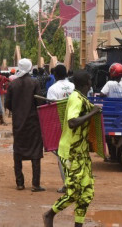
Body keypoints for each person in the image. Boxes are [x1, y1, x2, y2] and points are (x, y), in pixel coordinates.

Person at [43, 70, 102, 227]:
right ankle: (49, 214)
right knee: (74, 192)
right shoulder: (76, 99)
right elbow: (72, 122)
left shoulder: (81, 97)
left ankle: (78, 224)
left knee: (87, 193)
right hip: (70, 152)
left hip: (81, 151)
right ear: (85, 84)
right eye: (89, 80)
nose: (91, 83)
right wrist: (94, 112)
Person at [5, 58, 45, 192]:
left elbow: (7, 104)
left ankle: (20, 183)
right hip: (33, 123)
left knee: (18, 152)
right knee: (35, 152)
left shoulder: (13, 84)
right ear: (29, 68)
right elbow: (40, 103)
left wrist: (17, 111)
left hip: (18, 123)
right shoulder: (35, 83)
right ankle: (35, 184)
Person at [46, 64, 75, 194]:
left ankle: (67, 184)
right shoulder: (74, 86)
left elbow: (51, 109)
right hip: (75, 123)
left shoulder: (53, 89)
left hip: (60, 126)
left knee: (62, 156)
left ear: (56, 75)